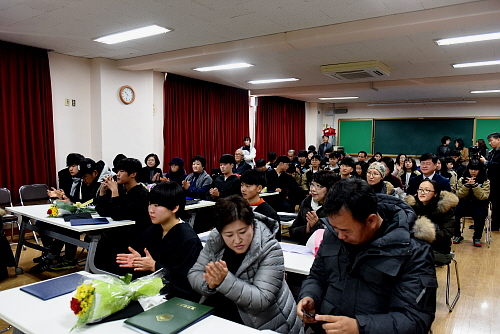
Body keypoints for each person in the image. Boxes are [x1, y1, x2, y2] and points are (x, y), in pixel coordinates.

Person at [297, 178, 436, 334]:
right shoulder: (334, 233)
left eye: (346, 231)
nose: (340, 236)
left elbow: (415, 319)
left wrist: (359, 327)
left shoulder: (412, 251)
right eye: (335, 228)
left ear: (371, 220)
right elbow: (317, 276)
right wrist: (310, 295)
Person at [188, 196, 302, 333]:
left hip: (262, 323)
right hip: (220, 316)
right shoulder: (216, 239)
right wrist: (210, 284)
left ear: (252, 224)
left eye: (242, 232)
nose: (237, 240)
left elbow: (262, 299)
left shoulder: (269, 248)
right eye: (229, 235)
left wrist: (224, 281)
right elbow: (194, 273)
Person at [116, 182, 203, 301]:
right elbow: (145, 262)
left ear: (174, 208)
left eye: (157, 205)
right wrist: (138, 261)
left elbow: (186, 280)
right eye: (150, 204)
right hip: (151, 292)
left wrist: (155, 267)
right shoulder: (153, 230)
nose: (151, 210)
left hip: (175, 300)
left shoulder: (188, 240)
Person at [94, 158, 151, 275]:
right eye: (117, 171)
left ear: (133, 174)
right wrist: (103, 192)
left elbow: (117, 215)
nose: (117, 174)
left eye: (122, 171)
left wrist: (114, 192)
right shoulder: (123, 191)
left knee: (106, 243)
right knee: (102, 242)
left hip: (134, 238)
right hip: (121, 233)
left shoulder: (142, 194)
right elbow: (103, 211)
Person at [405, 179, 458, 265]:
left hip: (437, 248)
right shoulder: (412, 206)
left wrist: (426, 227)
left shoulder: (445, 210)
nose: (422, 192)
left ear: (435, 193)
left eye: (427, 190)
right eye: (420, 189)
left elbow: (446, 234)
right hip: (413, 245)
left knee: (413, 258)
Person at [289, 170, 338, 245]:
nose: (313, 189)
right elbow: (292, 231)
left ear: (329, 189)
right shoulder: (306, 203)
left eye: (319, 186)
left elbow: (335, 237)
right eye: (312, 185)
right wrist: (307, 229)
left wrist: (316, 225)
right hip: (305, 247)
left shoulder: (336, 207)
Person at [452, 162, 490, 246]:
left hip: (479, 204)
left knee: (480, 215)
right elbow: (459, 194)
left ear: (480, 170)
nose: (473, 171)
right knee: (454, 213)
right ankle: (457, 235)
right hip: (464, 203)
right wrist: (467, 186)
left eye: (476, 170)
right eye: (471, 169)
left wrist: (475, 186)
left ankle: (477, 237)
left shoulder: (485, 180)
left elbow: (483, 196)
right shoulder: (462, 179)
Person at [240, 169, 280, 239]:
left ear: (259, 188)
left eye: (248, 186)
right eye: (242, 185)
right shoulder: (239, 207)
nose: (243, 189)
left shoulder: (269, 213)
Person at [480, 132, 500, 231]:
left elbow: (498, 165)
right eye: (489, 141)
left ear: (498, 140)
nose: (490, 143)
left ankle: (496, 225)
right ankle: (479, 223)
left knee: (496, 204)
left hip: (497, 182)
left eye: (491, 140)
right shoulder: (492, 152)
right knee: (487, 202)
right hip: (489, 181)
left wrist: (486, 162)